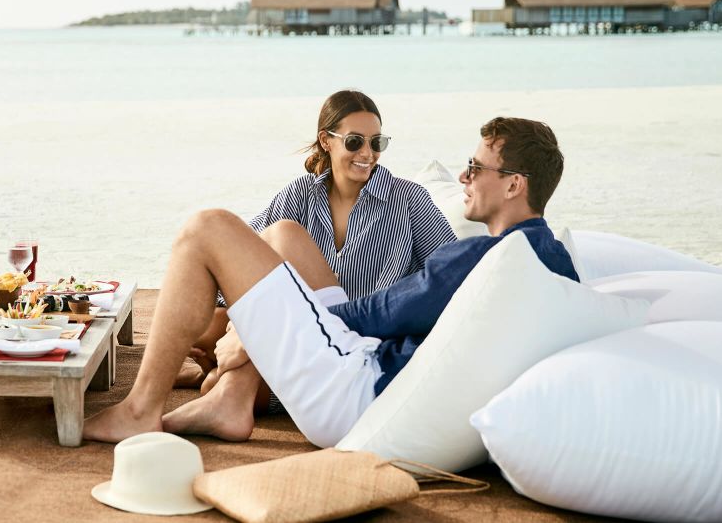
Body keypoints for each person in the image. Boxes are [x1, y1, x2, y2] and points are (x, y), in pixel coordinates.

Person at [84, 117, 578, 447]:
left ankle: (141, 409)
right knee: (284, 234)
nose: (465, 177)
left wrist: (255, 335)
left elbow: (388, 312)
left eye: (475, 167)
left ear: (514, 184)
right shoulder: (552, 260)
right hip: (377, 370)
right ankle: (229, 399)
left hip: (356, 386)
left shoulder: (487, 257)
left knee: (205, 228)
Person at [180, 90, 455, 390]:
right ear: (326, 140)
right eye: (355, 141)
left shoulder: (409, 200)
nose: (368, 153)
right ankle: (226, 368)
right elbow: (242, 256)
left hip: (364, 343)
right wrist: (237, 320)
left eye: (377, 142)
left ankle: (221, 374)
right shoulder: (300, 194)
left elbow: (454, 273)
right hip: (294, 332)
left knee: (213, 385)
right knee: (203, 325)